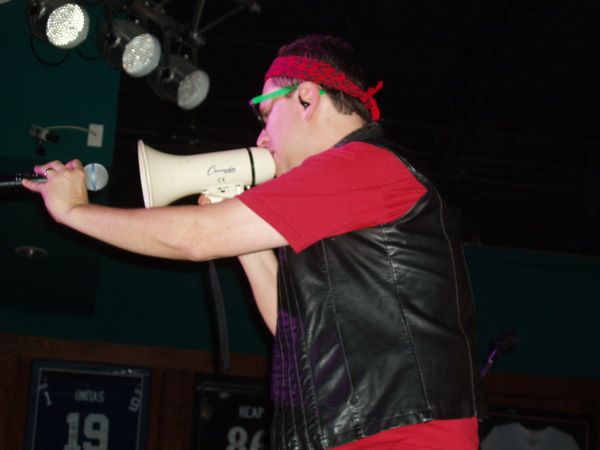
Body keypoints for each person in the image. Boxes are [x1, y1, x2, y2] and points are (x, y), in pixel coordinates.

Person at [24, 34, 487, 449]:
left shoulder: (365, 166)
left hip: (402, 435)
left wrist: (75, 211)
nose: (262, 137)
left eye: (266, 114)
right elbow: (292, 332)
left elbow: (195, 239)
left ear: (307, 98)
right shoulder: (336, 200)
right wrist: (246, 244)